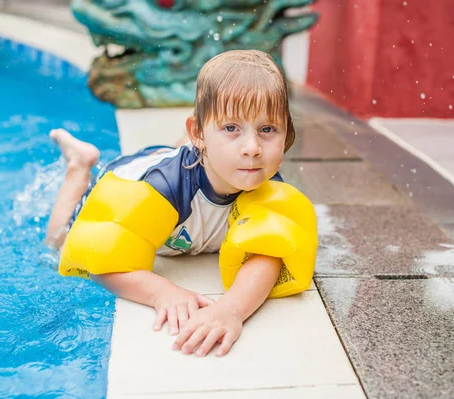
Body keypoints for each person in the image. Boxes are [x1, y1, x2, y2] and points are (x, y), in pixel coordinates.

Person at [46, 49, 305, 357]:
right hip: (137, 178)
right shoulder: (157, 190)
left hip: (197, 158)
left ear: (287, 133)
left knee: (204, 158)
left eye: (267, 129)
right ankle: (79, 164)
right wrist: (162, 292)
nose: (252, 148)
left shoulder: (266, 184)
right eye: (232, 128)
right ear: (198, 131)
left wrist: (231, 311)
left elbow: (268, 256)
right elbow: (101, 264)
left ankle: (196, 142)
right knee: (57, 243)